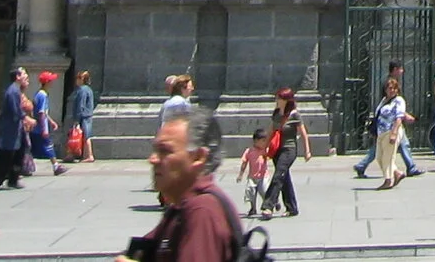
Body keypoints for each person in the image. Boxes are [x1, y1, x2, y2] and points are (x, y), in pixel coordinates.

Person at [122, 108, 245, 262]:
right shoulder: (180, 207)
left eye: (165, 151)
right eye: (155, 150)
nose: (153, 159)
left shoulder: (202, 211)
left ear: (198, 157)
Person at [266, 85, 311, 212]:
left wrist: (307, 151)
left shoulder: (294, 115)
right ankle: (292, 207)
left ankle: (268, 205)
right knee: (284, 177)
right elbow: (271, 131)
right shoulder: (276, 113)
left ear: (286, 100)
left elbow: (303, 133)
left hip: (289, 149)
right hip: (277, 150)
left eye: (279, 98)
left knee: (278, 176)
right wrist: (264, 148)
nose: (276, 100)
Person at [0, 66, 30, 190]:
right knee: (6, 155)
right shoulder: (12, 91)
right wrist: (27, 119)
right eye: (23, 74)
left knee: (18, 154)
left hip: (16, 129)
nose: (26, 76)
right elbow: (15, 111)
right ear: (17, 77)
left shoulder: (16, 90)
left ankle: (13, 179)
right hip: (10, 130)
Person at [371, 74, 413, 189]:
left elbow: (399, 117)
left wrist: (394, 133)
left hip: (391, 130)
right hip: (381, 132)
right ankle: (397, 173)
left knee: (388, 157)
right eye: (390, 88)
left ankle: (388, 180)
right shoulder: (384, 100)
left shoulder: (399, 100)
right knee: (379, 157)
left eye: (394, 88)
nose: (392, 90)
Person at [240, 128, 272, 219]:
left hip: (263, 176)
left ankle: (271, 203)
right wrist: (241, 174)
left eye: (266, 141)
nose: (265, 143)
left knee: (265, 191)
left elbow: (271, 155)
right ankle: (253, 208)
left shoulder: (265, 150)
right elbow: (244, 163)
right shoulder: (249, 151)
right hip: (252, 177)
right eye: (263, 141)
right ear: (256, 141)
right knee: (251, 192)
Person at [69, 68, 97, 163]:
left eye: (78, 78)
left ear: (81, 79)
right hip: (88, 115)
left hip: (83, 116)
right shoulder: (89, 90)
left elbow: (81, 105)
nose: (76, 80)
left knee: (83, 136)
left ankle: (89, 155)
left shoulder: (82, 90)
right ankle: (75, 155)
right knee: (84, 135)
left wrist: (76, 119)